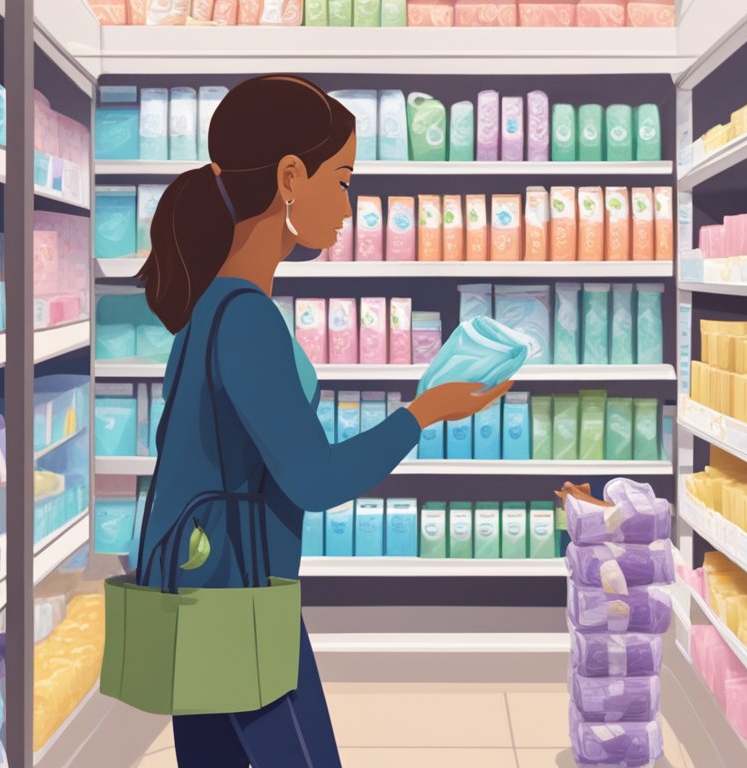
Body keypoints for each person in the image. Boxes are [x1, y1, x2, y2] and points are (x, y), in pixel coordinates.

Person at [136, 74, 512, 768]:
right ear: (289, 178)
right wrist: (426, 412)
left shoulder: (210, 309)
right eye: (340, 179)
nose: (348, 203)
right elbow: (313, 477)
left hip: (196, 592)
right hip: (238, 603)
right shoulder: (246, 320)